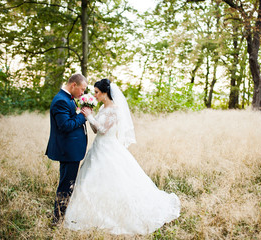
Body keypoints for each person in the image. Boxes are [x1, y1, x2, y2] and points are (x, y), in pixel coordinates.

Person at [63, 79, 181, 235]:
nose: (95, 95)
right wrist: (89, 117)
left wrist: (90, 116)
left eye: (97, 92)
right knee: (91, 180)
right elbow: (96, 130)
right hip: (97, 149)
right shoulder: (102, 109)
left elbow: (104, 129)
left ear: (105, 92)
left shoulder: (115, 109)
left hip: (109, 149)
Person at [45, 73, 88, 225]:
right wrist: (83, 115)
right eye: (82, 89)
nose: (82, 93)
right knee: (66, 185)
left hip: (71, 150)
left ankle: (62, 215)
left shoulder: (67, 99)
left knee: (67, 183)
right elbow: (65, 125)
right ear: (73, 85)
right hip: (68, 151)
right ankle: (57, 220)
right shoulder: (61, 101)